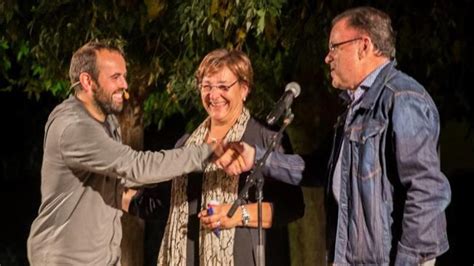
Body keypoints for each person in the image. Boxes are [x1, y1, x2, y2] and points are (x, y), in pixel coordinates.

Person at [217, 6, 451, 266]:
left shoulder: (402, 98)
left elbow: (426, 191)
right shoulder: (352, 111)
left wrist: (408, 262)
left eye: (334, 47)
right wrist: (256, 157)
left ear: (364, 46)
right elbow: (317, 168)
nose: (328, 58)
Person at [27, 41, 220, 265]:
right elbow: (136, 166)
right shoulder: (73, 127)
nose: (125, 84)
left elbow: (117, 180)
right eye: (115, 77)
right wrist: (207, 153)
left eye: (124, 75)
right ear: (87, 81)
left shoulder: (107, 120)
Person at [132, 48, 304, 266]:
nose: (213, 95)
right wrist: (113, 192)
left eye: (223, 86)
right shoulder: (187, 143)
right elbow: (163, 204)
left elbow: (292, 207)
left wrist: (237, 215)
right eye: (207, 86)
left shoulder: (266, 138)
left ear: (244, 89)